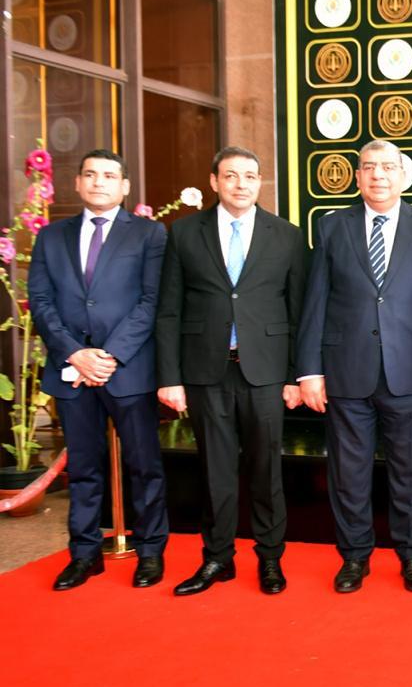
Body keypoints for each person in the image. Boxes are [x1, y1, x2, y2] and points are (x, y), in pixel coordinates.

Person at [296, 139, 412, 593]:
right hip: (347, 371)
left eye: (387, 167)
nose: (378, 175)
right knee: (349, 472)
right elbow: (316, 300)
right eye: (369, 167)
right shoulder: (332, 226)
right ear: (357, 176)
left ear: (403, 175)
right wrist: (309, 371)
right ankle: (354, 557)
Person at [155, 146, 308, 596]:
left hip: (266, 372)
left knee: (266, 471)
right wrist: (169, 377)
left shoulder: (287, 236)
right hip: (206, 371)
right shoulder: (184, 233)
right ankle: (217, 558)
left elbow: (299, 312)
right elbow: (169, 310)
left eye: (250, 176)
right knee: (214, 472)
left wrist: (296, 376)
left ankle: (270, 558)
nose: (241, 184)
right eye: (231, 175)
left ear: (260, 182)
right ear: (214, 181)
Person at [28, 149, 169, 590]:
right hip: (72, 369)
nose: (98, 182)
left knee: (144, 466)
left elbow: (152, 301)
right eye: (90, 174)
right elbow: (41, 302)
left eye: (109, 175)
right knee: (84, 469)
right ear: (77, 183)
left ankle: (151, 552)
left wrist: (109, 355)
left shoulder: (149, 234)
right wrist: (75, 353)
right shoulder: (51, 236)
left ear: (125, 186)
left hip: (128, 370)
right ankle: (85, 554)